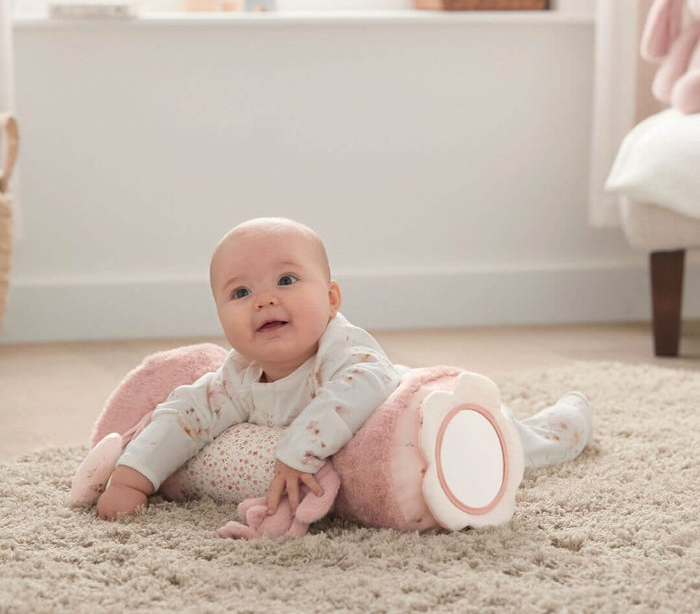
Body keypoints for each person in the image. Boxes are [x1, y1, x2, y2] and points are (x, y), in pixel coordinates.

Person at [96, 217, 593, 521]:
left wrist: (299, 449)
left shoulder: (346, 349)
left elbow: (366, 385)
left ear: (331, 299)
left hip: (429, 415)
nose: (265, 298)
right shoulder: (237, 376)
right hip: (382, 453)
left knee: (516, 441)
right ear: (219, 315)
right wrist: (133, 477)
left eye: (287, 279)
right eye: (240, 292)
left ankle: (564, 425)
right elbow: (182, 415)